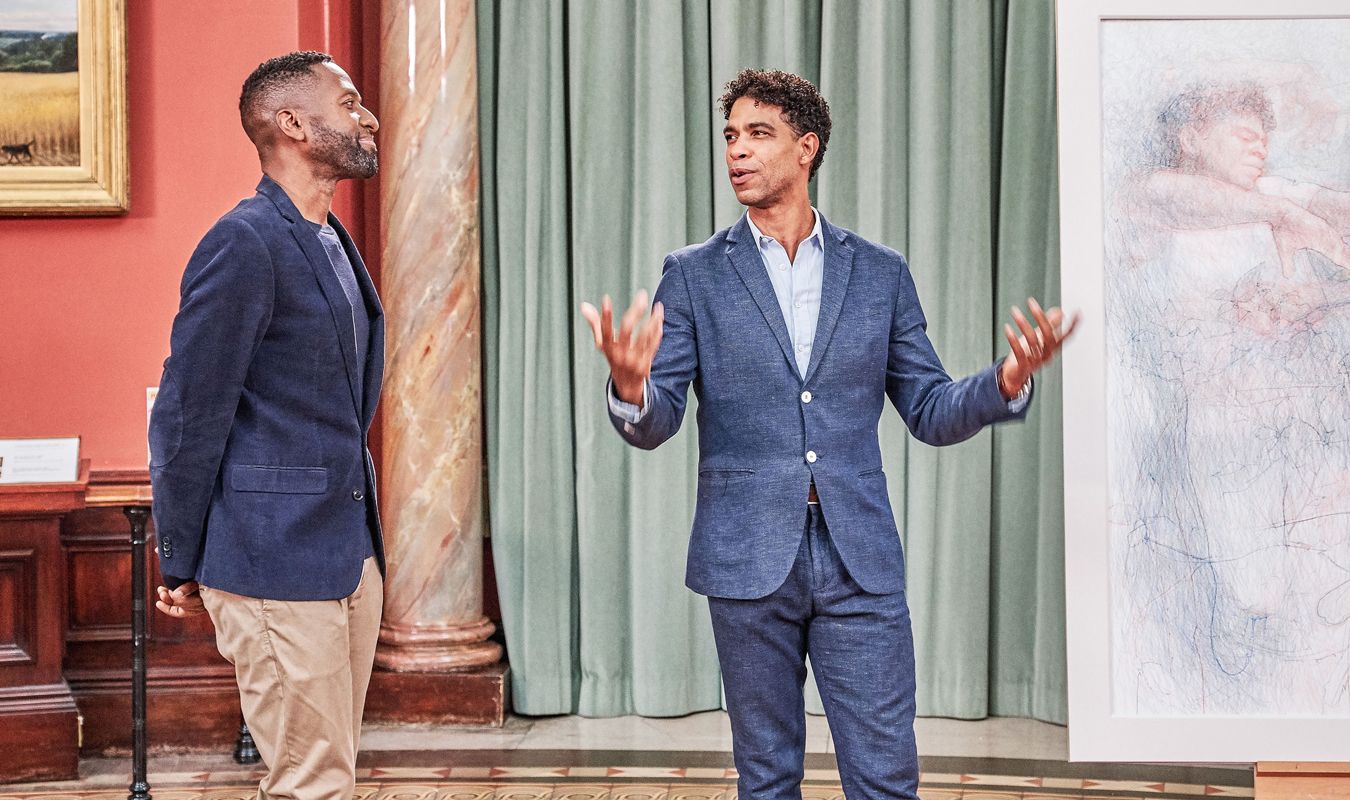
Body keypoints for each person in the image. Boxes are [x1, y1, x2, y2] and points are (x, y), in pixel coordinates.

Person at [580, 69, 1075, 800]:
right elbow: (658, 423)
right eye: (729, 137)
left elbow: (931, 409)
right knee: (768, 775)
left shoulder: (879, 274)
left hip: (859, 559)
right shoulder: (691, 276)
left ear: (806, 147)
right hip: (746, 558)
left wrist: (1003, 381)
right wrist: (630, 385)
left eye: (758, 134)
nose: (737, 152)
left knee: (883, 777)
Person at [148, 50, 385, 799]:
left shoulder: (331, 239)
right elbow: (190, 409)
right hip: (272, 557)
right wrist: (180, 556)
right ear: (292, 123)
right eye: (346, 102)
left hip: (347, 553)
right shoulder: (243, 241)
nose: (367, 115)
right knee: (310, 781)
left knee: (328, 772)